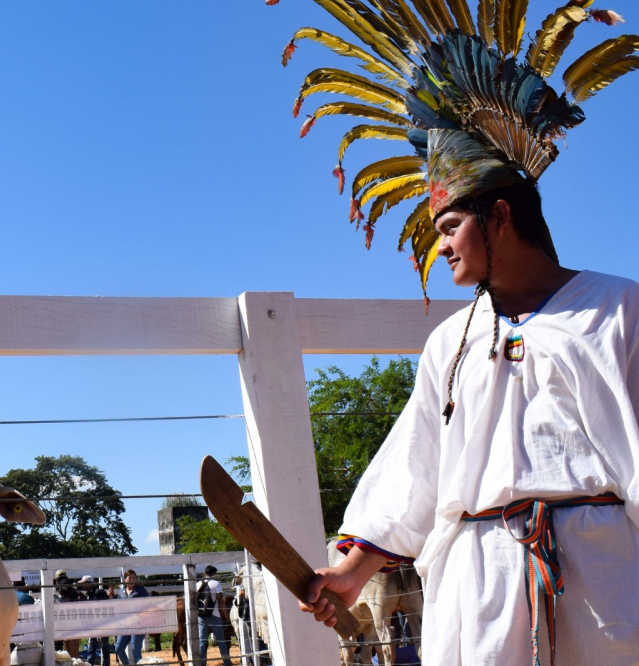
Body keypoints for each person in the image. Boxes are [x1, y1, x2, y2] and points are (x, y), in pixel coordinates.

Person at [284, 3, 639, 665]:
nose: (439, 246)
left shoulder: (619, 310)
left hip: (606, 598)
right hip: (476, 605)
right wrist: (351, 575)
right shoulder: (451, 344)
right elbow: (415, 469)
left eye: (450, 228)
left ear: (500, 215)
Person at [195, 566, 232, 666]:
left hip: (201, 616)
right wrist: (224, 614)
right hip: (215, 615)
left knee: (202, 642)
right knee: (221, 641)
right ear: (214, 573)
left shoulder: (198, 584)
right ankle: (227, 663)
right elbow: (220, 600)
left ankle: (202, 664)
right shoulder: (216, 583)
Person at [114, 569, 148, 665]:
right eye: (130, 578)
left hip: (138, 625)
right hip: (125, 625)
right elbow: (117, 607)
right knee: (119, 649)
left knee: (136, 651)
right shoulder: (121, 592)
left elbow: (146, 606)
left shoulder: (141, 591)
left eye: (134, 578)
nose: (132, 579)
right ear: (125, 579)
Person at [77, 575, 111, 666]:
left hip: (102, 624)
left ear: (89, 583)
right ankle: (91, 664)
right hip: (94, 624)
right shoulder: (89, 594)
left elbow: (106, 607)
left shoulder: (98, 593)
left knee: (101, 646)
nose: (83, 585)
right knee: (93, 646)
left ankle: (97, 664)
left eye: (84, 583)